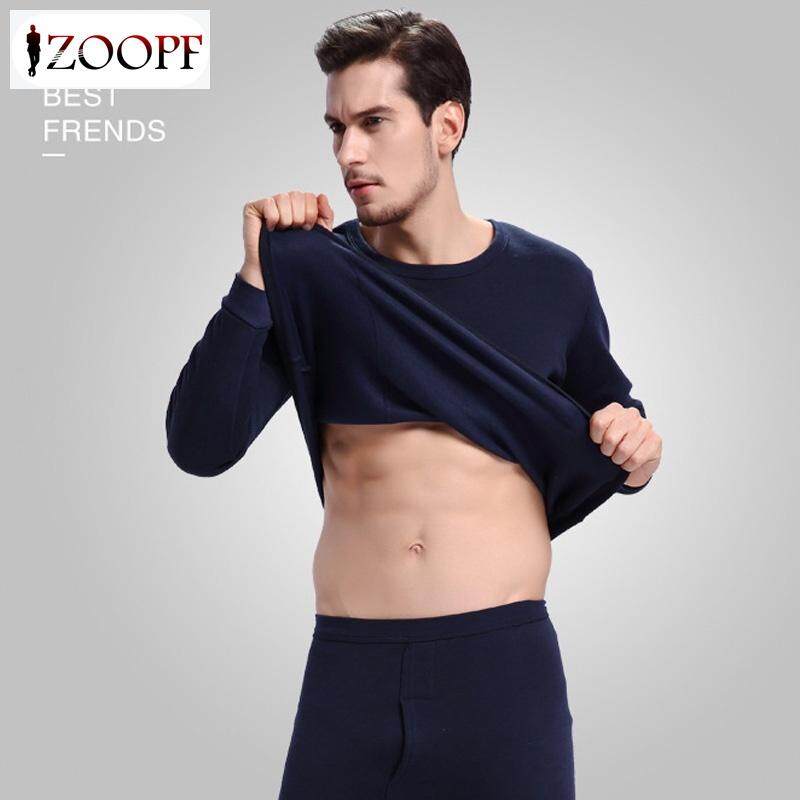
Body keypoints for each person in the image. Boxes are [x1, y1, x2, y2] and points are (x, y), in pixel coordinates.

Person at [165, 9, 662, 799]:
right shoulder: (315, 275)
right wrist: (256, 277)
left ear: (446, 126)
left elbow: (617, 431)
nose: (348, 155)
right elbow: (200, 445)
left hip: (501, 672)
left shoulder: (553, 280)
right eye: (336, 129)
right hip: (349, 673)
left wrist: (640, 451)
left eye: (374, 123)